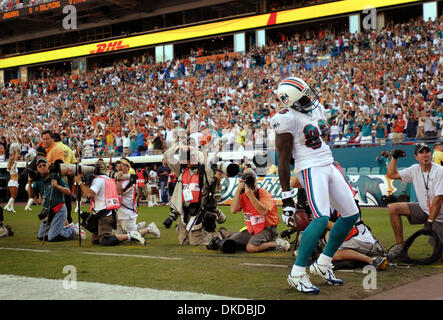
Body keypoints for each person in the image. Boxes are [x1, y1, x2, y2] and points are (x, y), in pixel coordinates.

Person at [270, 77, 360, 294]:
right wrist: (287, 197)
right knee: (320, 219)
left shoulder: (314, 108)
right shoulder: (285, 118)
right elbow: (283, 160)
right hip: (310, 168)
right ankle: (297, 273)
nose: (310, 98)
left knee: (350, 215)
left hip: (327, 163)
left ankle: (322, 263)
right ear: (290, 101)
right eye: (303, 96)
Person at [386, 143, 443, 261]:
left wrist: (429, 221)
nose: (425, 155)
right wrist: (394, 158)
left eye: (427, 151)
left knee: (439, 258)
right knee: (393, 208)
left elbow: (438, 200)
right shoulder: (414, 169)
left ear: (430, 154)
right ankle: (399, 246)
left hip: (439, 216)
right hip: (425, 210)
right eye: (421, 152)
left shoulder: (439, 171)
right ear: (416, 157)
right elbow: (391, 174)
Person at [162, 142, 226, 246]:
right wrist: (178, 146)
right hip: (185, 210)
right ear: (187, 161)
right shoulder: (181, 170)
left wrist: (217, 180)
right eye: (192, 157)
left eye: (195, 156)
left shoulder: (205, 170)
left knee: (195, 241)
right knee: (184, 241)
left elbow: (214, 189)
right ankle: (205, 233)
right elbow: (167, 156)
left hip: (199, 209)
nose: (195, 158)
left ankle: (218, 234)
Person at [209, 172, 289, 253]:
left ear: (256, 182)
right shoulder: (243, 195)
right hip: (252, 229)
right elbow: (233, 210)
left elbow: (264, 211)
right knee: (229, 242)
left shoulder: (263, 193)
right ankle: (230, 234)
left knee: (250, 247)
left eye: (253, 181)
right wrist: (238, 190)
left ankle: (275, 243)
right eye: (248, 182)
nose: (251, 185)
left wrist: (251, 196)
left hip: (267, 229)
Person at [74, 158, 145, 246]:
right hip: (106, 213)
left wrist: (80, 182)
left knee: (105, 240)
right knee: (96, 241)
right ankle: (130, 234)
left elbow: (90, 194)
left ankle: (131, 235)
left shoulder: (98, 180)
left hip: (105, 214)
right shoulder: (109, 179)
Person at [27, 158, 78, 242]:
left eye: (44, 165)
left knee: (51, 237)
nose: (42, 167)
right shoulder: (38, 181)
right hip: (48, 211)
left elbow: (68, 191)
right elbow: (31, 196)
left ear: (48, 166)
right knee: (41, 236)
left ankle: (73, 231)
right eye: (40, 166)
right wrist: (29, 182)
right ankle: (58, 230)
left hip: (59, 209)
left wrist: (57, 186)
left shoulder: (56, 177)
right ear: (37, 169)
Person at [115, 157, 161, 240]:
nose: (119, 166)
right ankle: (140, 225)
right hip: (118, 212)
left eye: (122, 164)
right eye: (118, 164)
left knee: (131, 236)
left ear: (128, 167)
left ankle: (150, 228)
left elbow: (120, 192)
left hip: (127, 213)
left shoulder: (130, 180)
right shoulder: (117, 177)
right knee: (118, 237)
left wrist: (117, 179)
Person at [4, 149, 19, 213]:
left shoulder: (9, 167)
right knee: (14, 196)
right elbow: (16, 157)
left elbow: (14, 158)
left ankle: (12, 208)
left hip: (11, 182)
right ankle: (7, 206)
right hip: (14, 182)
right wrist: (16, 152)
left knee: (12, 196)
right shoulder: (14, 165)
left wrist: (13, 155)